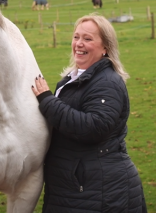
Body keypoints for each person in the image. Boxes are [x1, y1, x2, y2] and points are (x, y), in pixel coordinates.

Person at [31, 13, 147, 213]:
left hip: (101, 191)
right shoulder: (73, 78)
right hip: (76, 186)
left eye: (87, 39)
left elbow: (94, 128)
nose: (79, 44)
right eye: (76, 37)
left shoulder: (107, 82)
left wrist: (47, 101)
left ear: (105, 48)